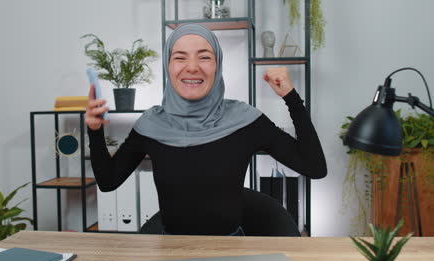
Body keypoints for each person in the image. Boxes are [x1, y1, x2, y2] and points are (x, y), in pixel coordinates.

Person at [85, 23, 327, 236]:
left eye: (204, 57)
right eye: (179, 57)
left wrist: (291, 98)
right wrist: (94, 131)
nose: (192, 67)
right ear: (169, 66)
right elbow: (108, 181)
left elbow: (314, 167)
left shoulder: (245, 120)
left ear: (218, 65)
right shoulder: (150, 125)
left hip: (229, 252)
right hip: (171, 252)